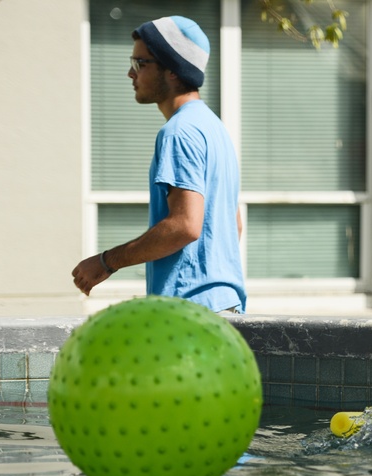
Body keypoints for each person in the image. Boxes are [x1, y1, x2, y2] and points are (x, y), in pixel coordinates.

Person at [72, 16, 246, 314]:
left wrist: (106, 262)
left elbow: (185, 225)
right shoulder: (213, 128)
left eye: (141, 63)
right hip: (222, 307)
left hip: (190, 313)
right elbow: (234, 224)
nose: (130, 73)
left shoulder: (179, 132)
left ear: (173, 71)